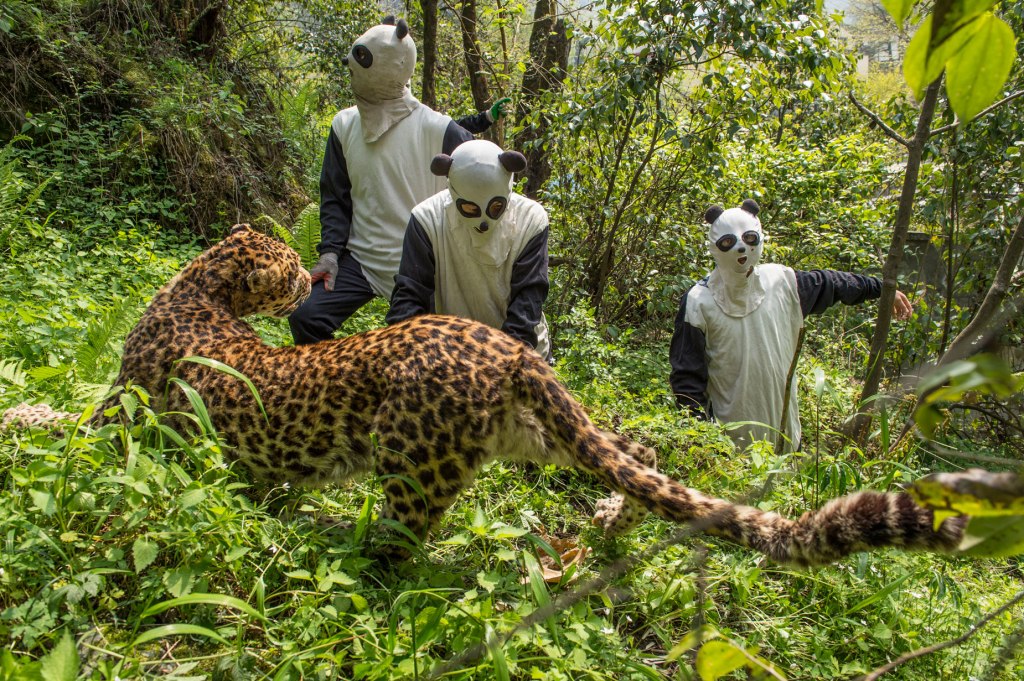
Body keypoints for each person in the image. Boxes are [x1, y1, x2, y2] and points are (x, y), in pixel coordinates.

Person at [669, 199, 913, 451]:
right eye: (728, 243)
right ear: (715, 246)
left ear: (759, 237)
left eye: (748, 238)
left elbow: (834, 283)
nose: (740, 248)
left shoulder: (784, 283)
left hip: (785, 442)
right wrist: (702, 443)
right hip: (728, 453)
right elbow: (687, 379)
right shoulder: (699, 302)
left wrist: (883, 290)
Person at [289, 16, 474, 345]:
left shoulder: (439, 129)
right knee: (307, 317)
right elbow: (335, 196)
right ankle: (333, 389)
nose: (349, 65)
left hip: (419, 268)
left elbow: (478, 183)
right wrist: (330, 253)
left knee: (419, 352)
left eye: (361, 58)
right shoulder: (344, 125)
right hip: (360, 261)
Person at [386, 140, 552, 360]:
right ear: (454, 195)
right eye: (470, 209)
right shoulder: (427, 219)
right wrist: (414, 354)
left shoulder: (531, 219)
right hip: (451, 356)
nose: (483, 222)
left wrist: (500, 363)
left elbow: (527, 304)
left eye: (495, 208)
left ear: (507, 192)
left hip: (519, 352)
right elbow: (408, 300)